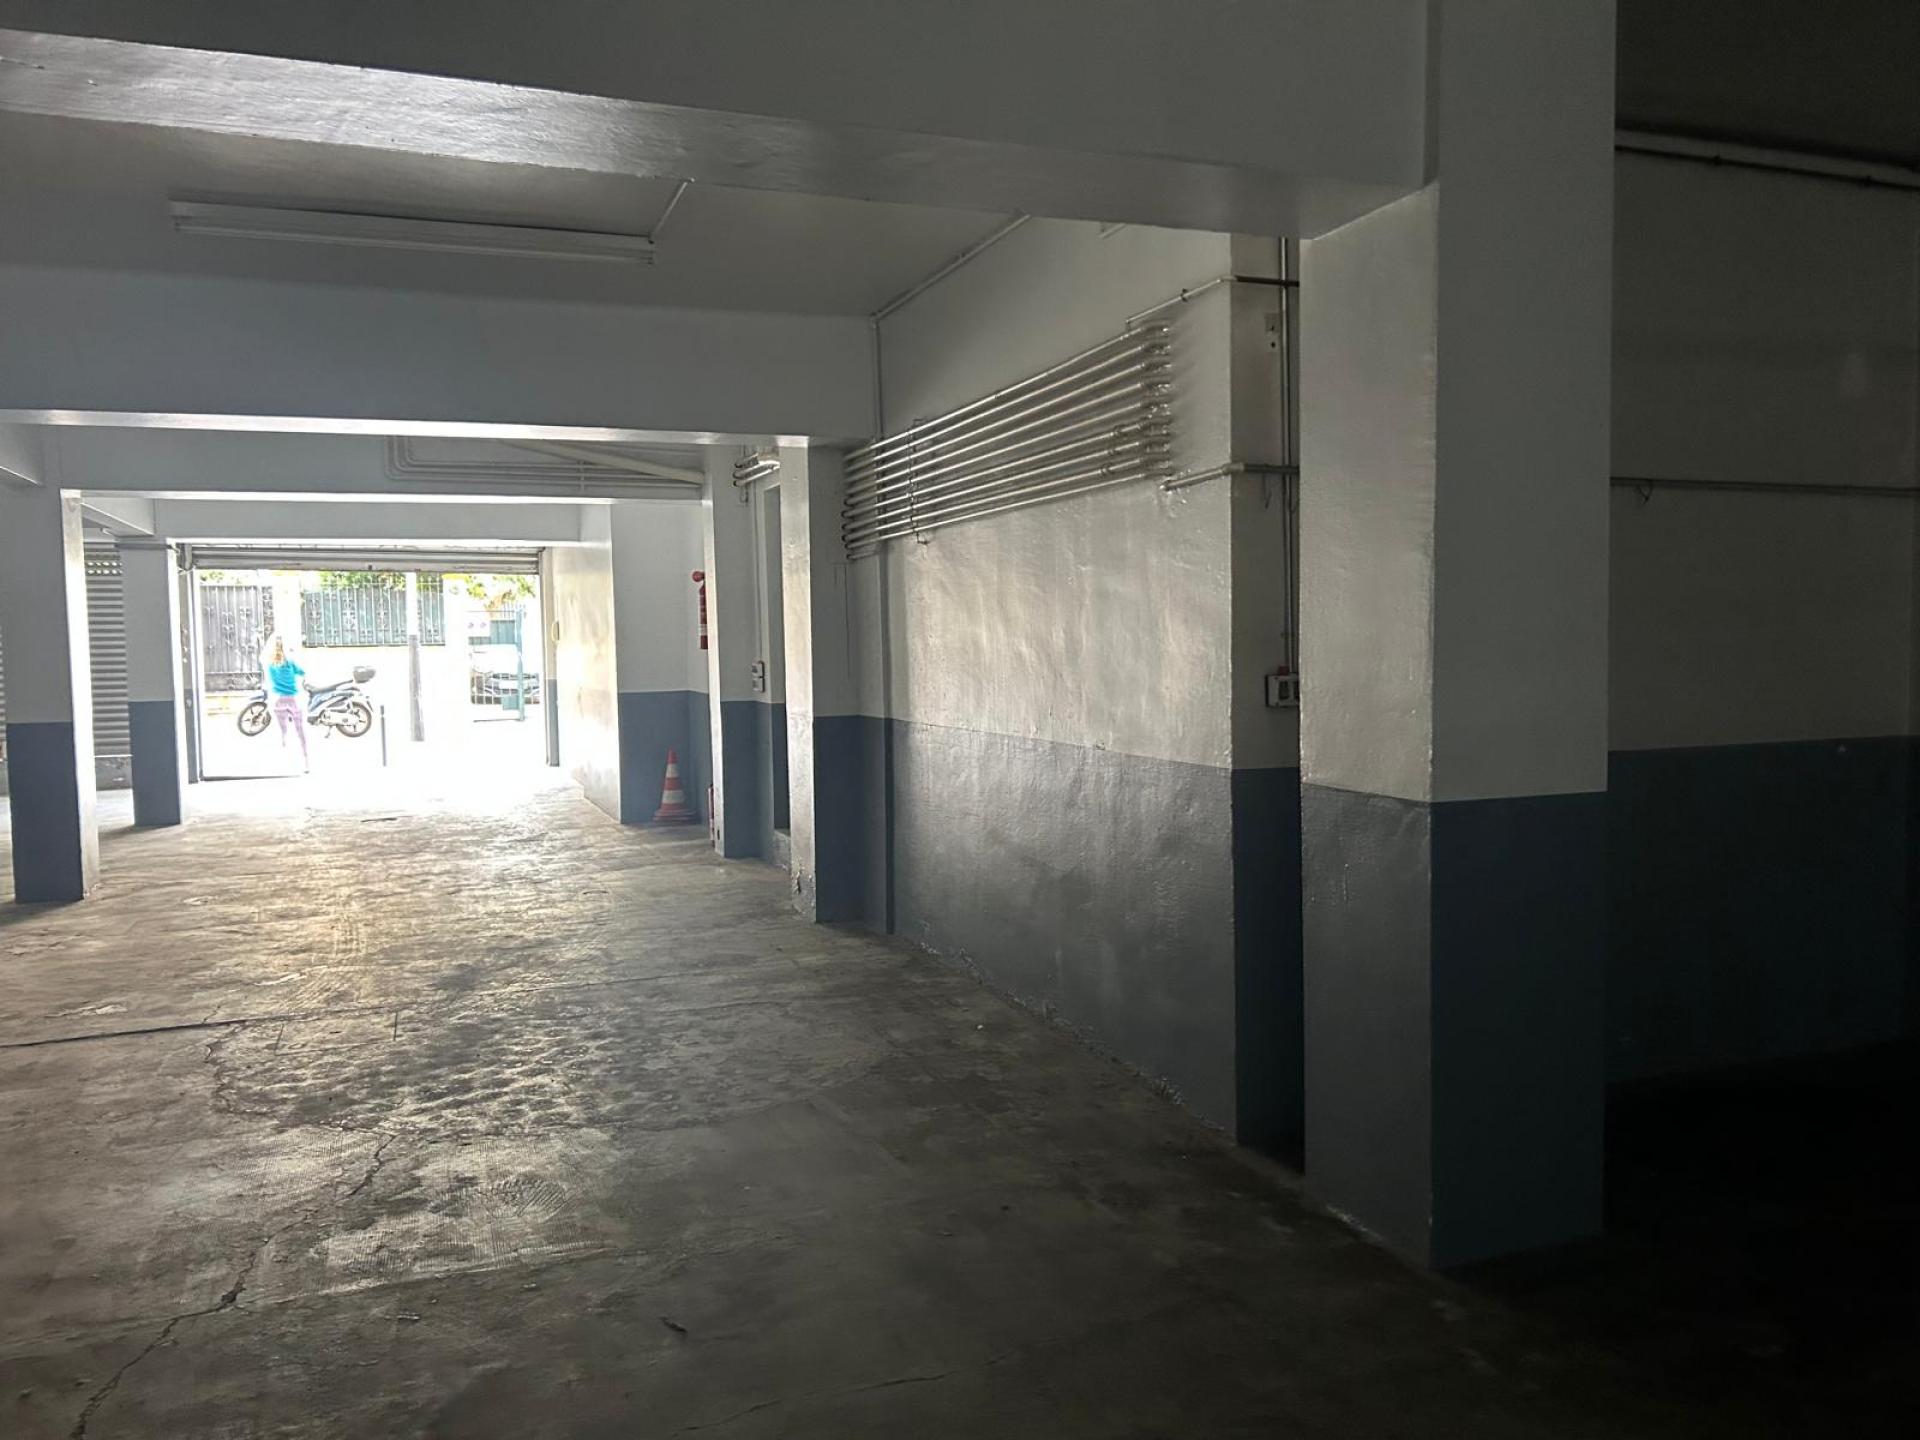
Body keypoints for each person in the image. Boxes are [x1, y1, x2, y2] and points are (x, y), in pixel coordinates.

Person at [263, 634, 309, 772]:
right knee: (300, 731)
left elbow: (268, 680)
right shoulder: (290, 663)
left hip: (278, 700)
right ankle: (306, 762)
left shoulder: (269, 664)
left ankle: (283, 758)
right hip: (293, 699)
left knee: (282, 731)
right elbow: (303, 672)